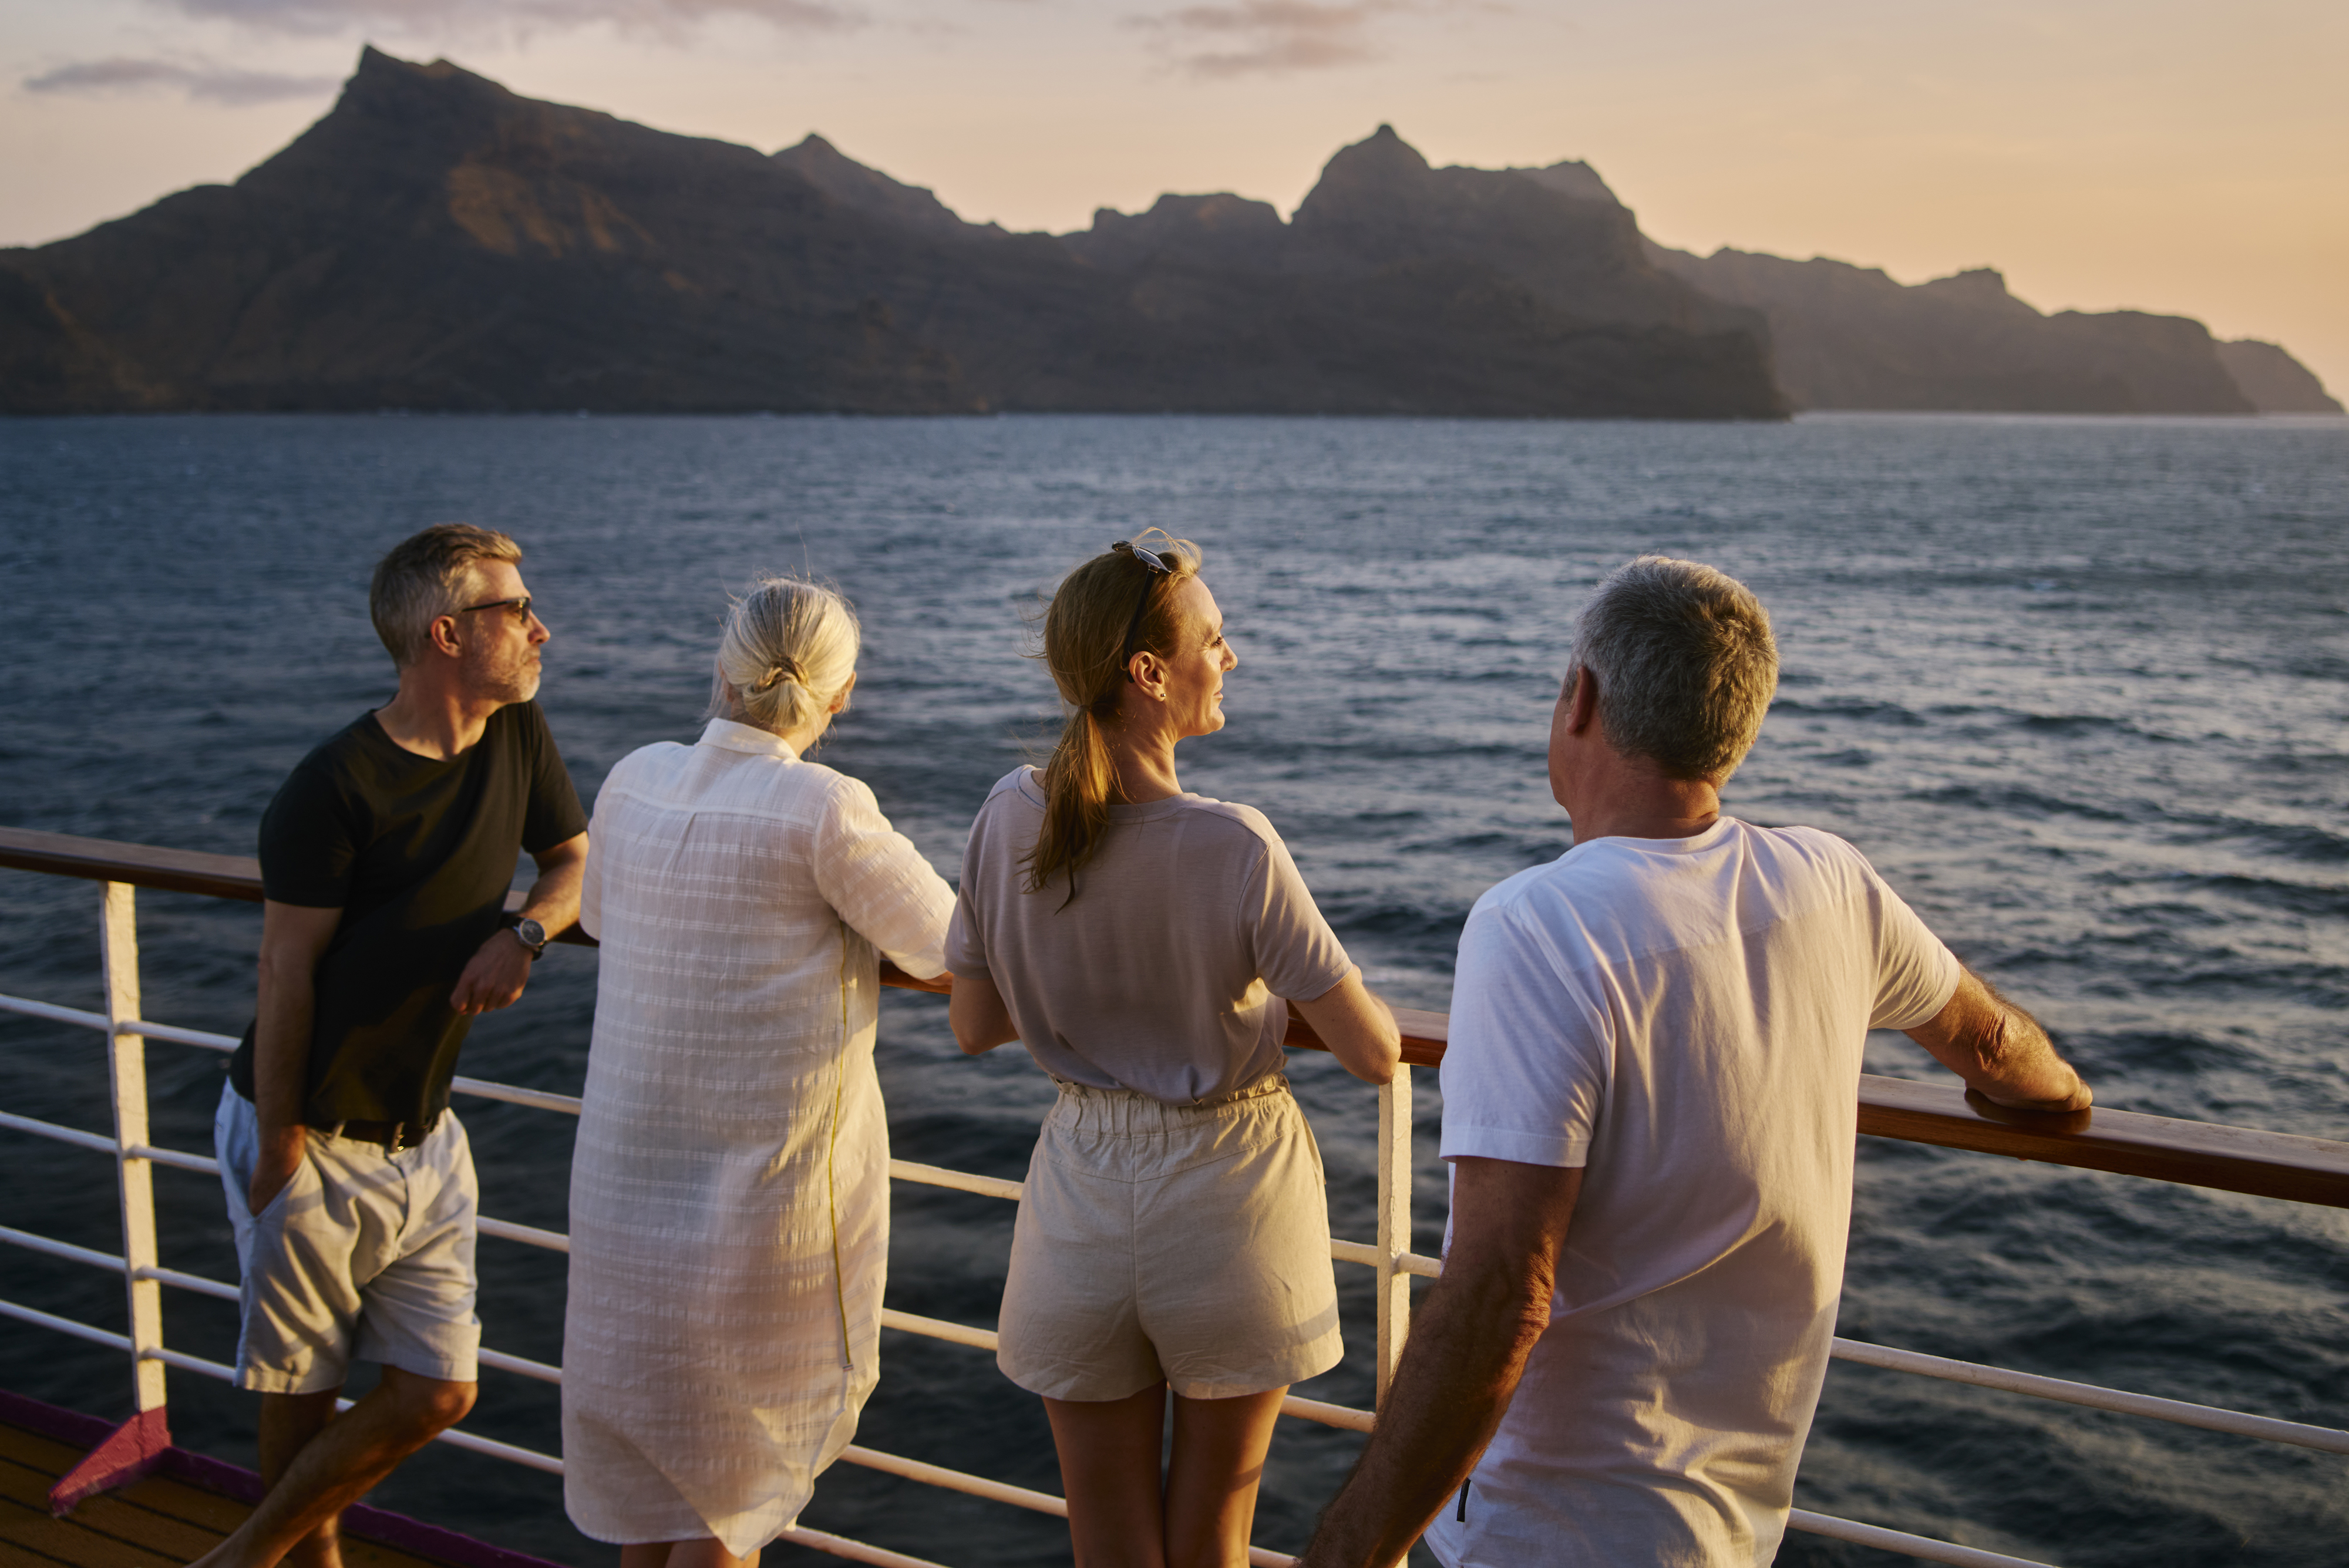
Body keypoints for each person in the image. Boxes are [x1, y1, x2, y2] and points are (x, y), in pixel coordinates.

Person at [1300, 555, 2094, 1568]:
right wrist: (2067, 1094)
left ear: (1581, 699)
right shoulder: (1831, 881)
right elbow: (1992, 1047)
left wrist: (1349, 1549)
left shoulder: (1539, 926)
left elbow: (1501, 1291)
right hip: (1733, 1529)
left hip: (1554, 1533)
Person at [946, 529, 1402, 1568]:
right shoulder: (1234, 844)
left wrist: (1087, 991)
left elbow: (974, 1024)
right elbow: (1374, 1053)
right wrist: (1227, 990)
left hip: (1078, 1197)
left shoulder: (1007, 814)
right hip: (1229, 1197)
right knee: (1213, 1541)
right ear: (1150, 674)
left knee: (1108, 1544)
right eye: (1214, 640)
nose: (1230, 657)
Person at [198, 524, 590, 1568]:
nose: (542, 628)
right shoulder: (333, 787)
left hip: (425, 1130)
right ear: (446, 634)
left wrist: (523, 935)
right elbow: (284, 971)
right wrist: (280, 1146)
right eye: (517, 609)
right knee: (302, 1388)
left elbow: (572, 861)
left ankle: (241, 1558)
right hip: (312, 1127)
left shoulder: (516, 733)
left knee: (440, 1389)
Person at [561, 576, 959, 1568]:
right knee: (732, 1498)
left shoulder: (632, 779)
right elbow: (953, 947)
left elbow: (599, 916)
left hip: (627, 1185)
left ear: (724, 668)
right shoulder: (823, 808)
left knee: (657, 1489)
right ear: (843, 693)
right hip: (759, 1206)